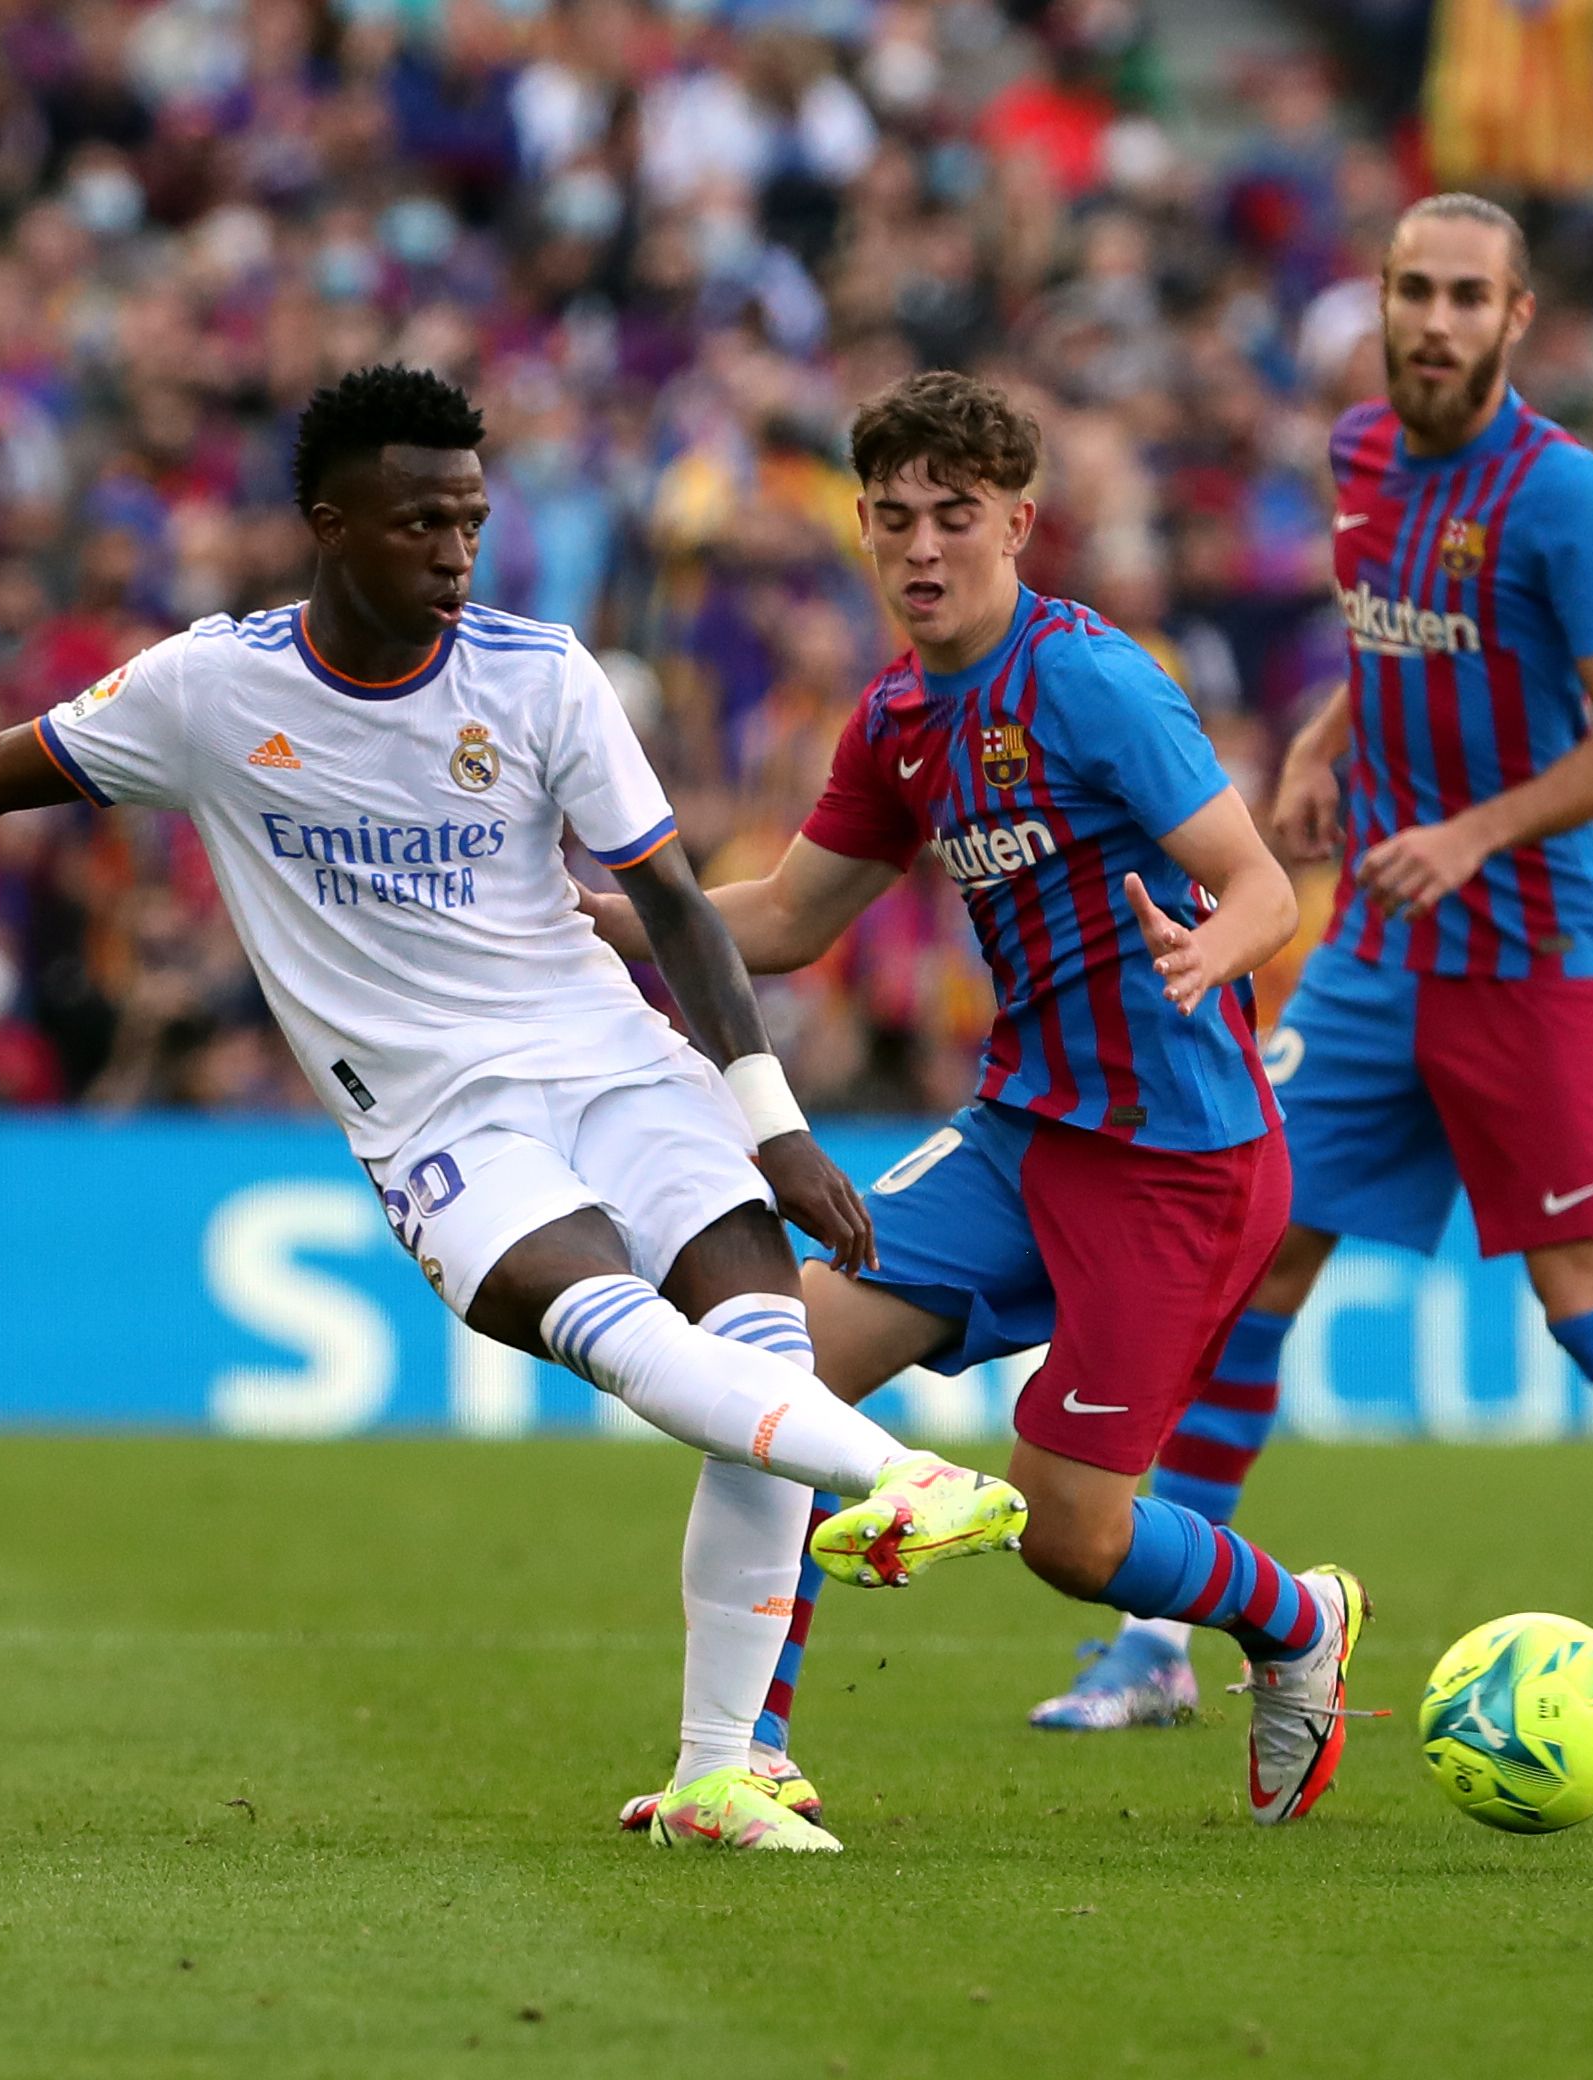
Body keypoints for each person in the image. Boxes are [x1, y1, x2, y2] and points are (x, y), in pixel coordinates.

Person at [0, 364, 1028, 1856]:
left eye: (470, 522)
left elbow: (673, 902)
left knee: (761, 1358)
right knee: (633, 1340)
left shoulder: (539, 672)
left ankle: (722, 1771)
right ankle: (898, 1474)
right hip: (440, 1120)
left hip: (619, 1065)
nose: (457, 556)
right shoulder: (212, 690)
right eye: (421, 526)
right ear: (329, 526)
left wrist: (771, 1116)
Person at [1049, 193, 1593, 1741]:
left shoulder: (1567, 498)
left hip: (1533, 955)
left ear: (1517, 319)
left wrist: (1472, 832)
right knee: (1257, 1261)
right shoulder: (1357, 459)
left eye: (1469, 297)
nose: (1435, 320)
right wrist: (1339, 735)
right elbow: (1395, 635)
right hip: (1377, 956)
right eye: (1414, 290)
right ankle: (1154, 1634)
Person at [589, 370, 1370, 1829]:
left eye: (955, 518)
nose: (922, 550)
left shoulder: (1091, 679)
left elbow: (1264, 880)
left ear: (1019, 522)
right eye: (892, 522)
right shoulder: (895, 715)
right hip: (1024, 1135)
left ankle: (1295, 1620)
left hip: (1178, 1157)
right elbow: (783, 919)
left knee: (1073, 1535)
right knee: (775, 1377)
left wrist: (1215, 951)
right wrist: (606, 918)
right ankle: (743, 1753)